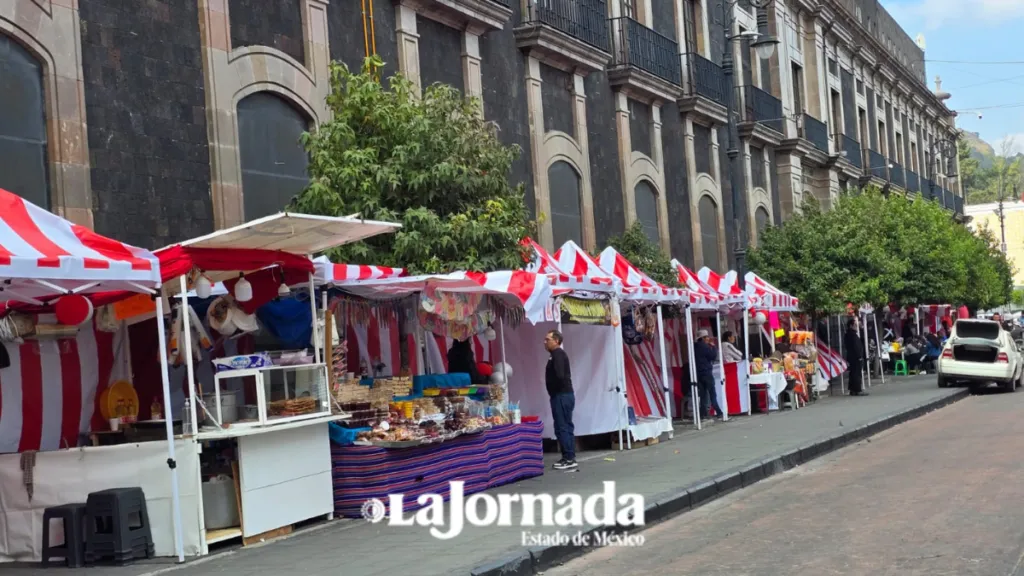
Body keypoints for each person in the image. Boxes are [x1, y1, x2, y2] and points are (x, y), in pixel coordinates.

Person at [544, 330, 576, 471]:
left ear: (556, 340)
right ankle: (569, 456)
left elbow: (560, 375)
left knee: (562, 426)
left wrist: (555, 389)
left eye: (548, 339)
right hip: (563, 395)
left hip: (561, 396)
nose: (545, 342)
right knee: (566, 426)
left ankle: (568, 458)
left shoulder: (557, 354)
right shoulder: (557, 355)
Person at [693, 329, 724, 420]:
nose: (708, 339)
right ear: (702, 338)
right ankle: (719, 412)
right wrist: (713, 347)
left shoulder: (694, 347)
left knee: (703, 395)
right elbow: (713, 356)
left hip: (698, 373)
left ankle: (702, 414)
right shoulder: (705, 347)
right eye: (706, 337)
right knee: (712, 394)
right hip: (707, 373)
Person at [845, 317, 867, 396]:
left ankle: (852, 389)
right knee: (856, 373)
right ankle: (857, 389)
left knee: (853, 373)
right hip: (856, 357)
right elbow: (856, 347)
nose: (856, 326)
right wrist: (859, 356)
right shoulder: (852, 335)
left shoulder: (849, 334)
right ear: (851, 326)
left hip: (852, 357)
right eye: (854, 325)